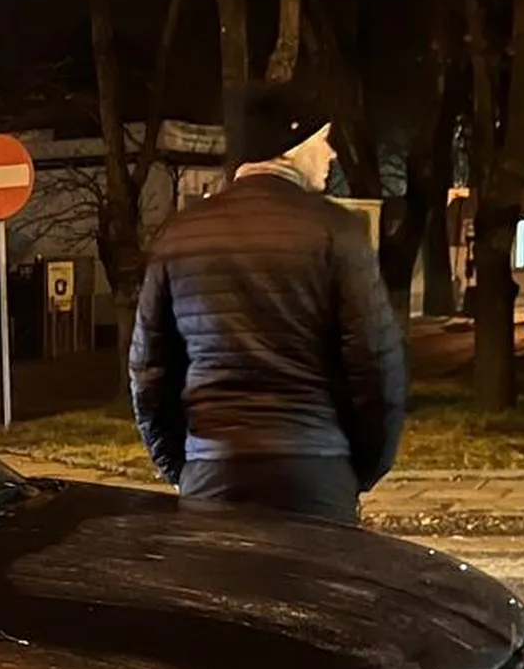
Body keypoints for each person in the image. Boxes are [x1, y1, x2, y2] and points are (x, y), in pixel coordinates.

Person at [128, 83, 406, 525]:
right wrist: (359, 470)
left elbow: (149, 370)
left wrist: (182, 469)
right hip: (315, 472)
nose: (331, 154)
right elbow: (375, 366)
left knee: (219, 594)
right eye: (323, 140)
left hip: (214, 472)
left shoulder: (179, 236)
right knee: (316, 594)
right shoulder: (337, 231)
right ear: (292, 145)